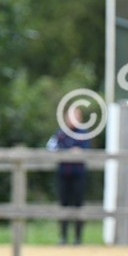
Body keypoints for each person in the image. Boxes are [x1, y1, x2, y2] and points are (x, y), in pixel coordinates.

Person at [47, 104, 91, 245]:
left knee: (78, 205)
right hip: (63, 174)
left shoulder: (83, 133)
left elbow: (85, 150)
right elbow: (52, 147)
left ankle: (78, 238)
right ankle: (63, 237)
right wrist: (69, 151)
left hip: (78, 174)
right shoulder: (61, 133)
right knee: (63, 204)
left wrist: (72, 151)